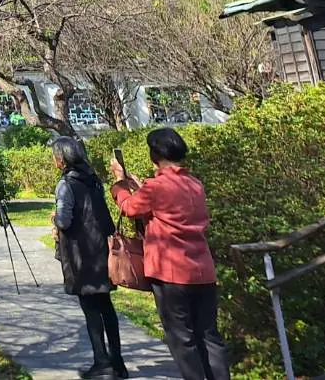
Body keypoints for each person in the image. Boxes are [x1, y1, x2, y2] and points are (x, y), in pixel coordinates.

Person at [109, 127, 228, 380]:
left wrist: (119, 184)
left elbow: (129, 207)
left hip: (170, 272)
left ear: (155, 154)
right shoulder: (195, 184)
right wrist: (141, 186)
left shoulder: (156, 187)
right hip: (202, 270)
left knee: (182, 338)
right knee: (209, 335)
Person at [51, 137, 127, 379]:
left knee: (91, 308)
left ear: (61, 159)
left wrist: (54, 218)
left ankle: (101, 362)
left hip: (80, 253)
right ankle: (118, 363)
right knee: (106, 307)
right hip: (101, 251)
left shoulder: (66, 184)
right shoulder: (94, 180)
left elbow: (64, 220)